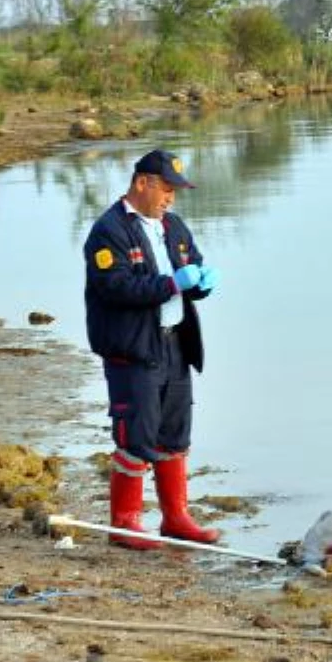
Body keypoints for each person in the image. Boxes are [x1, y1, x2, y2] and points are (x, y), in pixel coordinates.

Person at [82, 149, 222, 549]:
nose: (170, 199)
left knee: (174, 433)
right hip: (134, 349)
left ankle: (176, 518)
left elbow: (191, 265)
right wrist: (172, 284)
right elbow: (116, 287)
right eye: (165, 189)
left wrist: (201, 283)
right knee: (135, 435)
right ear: (142, 183)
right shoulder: (108, 231)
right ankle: (125, 523)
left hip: (175, 343)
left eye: (175, 191)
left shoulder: (172, 226)